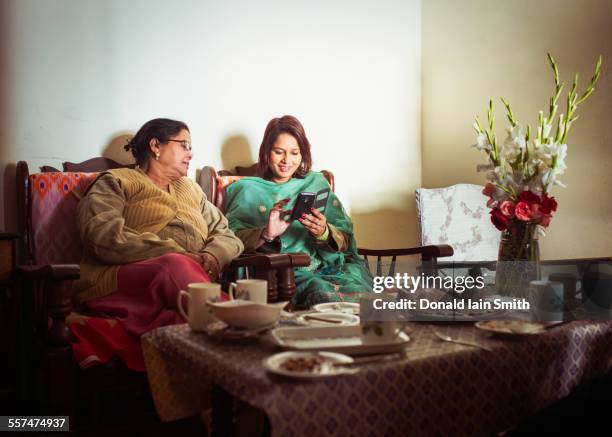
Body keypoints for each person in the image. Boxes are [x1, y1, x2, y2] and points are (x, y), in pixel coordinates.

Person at [74, 118, 244, 336]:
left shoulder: (192, 189)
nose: (190, 154)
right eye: (184, 145)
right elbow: (100, 233)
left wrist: (211, 255)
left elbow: (227, 235)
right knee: (172, 265)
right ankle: (237, 321)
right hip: (121, 278)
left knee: (180, 322)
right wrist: (177, 254)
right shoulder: (117, 180)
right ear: (155, 146)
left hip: (186, 283)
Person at [224, 115, 372, 309]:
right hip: (283, 270)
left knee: (364, 298)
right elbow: (230, 241)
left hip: (330, 267)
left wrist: (323, 232)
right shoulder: (245, 189)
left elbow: (346, 240)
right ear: (266, 152)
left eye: (295, 153)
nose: (287, 160)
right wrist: (267, 234)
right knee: (321, 293)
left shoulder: (316, 182)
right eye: (279, 152)